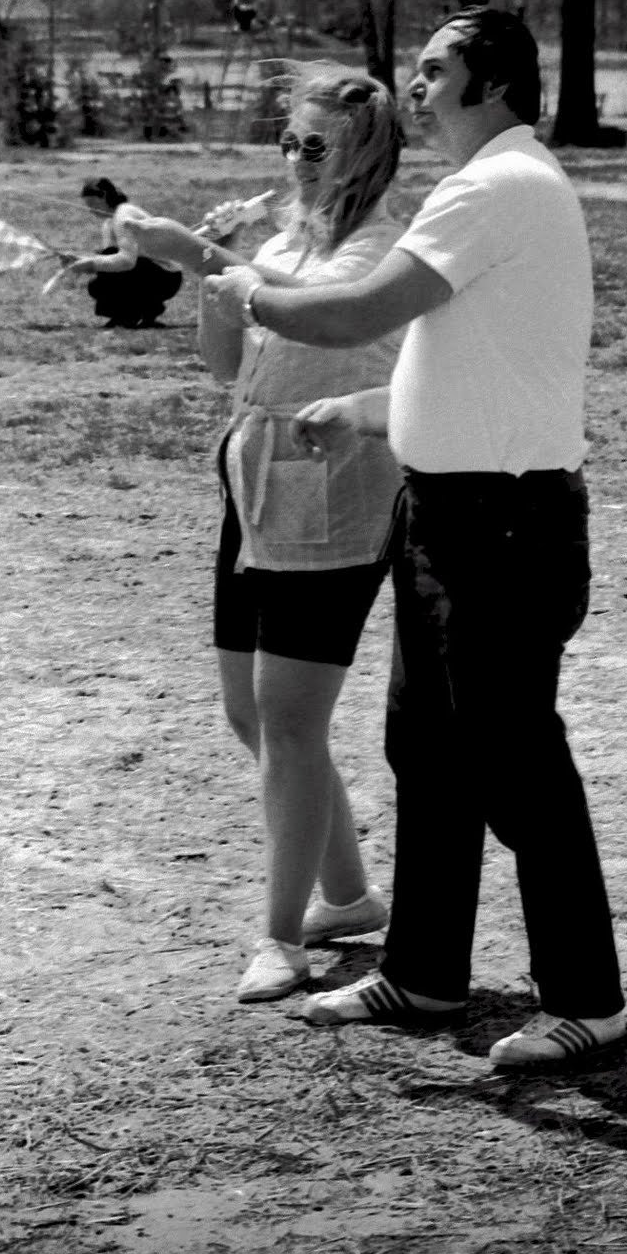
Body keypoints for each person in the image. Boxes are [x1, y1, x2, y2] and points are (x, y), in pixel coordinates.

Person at [200, 7, 625, 1069]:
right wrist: (371, 409)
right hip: (447, 514)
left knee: (518, 765)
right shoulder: (501, 187)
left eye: (435, 69)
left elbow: (351, 310)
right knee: (427, 752)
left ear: (490, 81)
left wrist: (245, 283)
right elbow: (477, 357)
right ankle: (424, 974)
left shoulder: (495, 186)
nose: (417, 87)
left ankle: (585, 1000)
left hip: (502, 525)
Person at [142, 71, 405, 1003]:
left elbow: (325, 314)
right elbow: (228, 363)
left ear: (365, 154)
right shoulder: (287, 236)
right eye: (289, 142)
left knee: (292, 721)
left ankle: (282, 939)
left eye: (315, 146)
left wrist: (204, 252)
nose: (295, 161)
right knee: (252, 715)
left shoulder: (382, 244)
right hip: (254, 477)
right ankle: (346, 896)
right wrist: (209, 281)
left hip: (330, 486)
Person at [49, 178, 183, 328]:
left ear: (105, 196)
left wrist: (90, 263)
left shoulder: (123, 216)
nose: (91, 210)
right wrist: (79, 259)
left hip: (166, 277)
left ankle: (131, 315)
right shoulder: (109, 222)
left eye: (93, 204)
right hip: (149, 271)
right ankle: (137, 313)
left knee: (106, 274)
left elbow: (126, 261)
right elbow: (110, 262)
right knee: (97, 285)